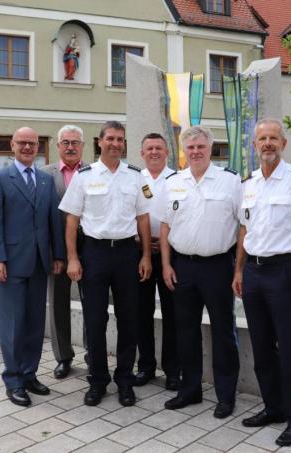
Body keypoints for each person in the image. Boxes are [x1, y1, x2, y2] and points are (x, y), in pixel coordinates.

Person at [232, 118, 291, 446]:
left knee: (288, 348)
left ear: (283, 144)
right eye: (262, 139)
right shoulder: (249, 183)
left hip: (285, 272)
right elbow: (245, 231)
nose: (268, 143)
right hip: (254, 273)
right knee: (260, 347)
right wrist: (239, 271)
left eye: (274, 138)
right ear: (254, 145)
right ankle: (272, 408)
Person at [59, 120, 152, 407]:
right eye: (110, 138)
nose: (115, 143)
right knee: (94, 320)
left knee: (129, 320)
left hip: (126, 254)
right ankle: (97, 380)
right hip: (94, 254)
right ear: (100, 142)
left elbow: (143, 219)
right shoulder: (84, 176)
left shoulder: (136, 176)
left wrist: (147, 255)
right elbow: (72, 220)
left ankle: (125, 380)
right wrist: (73, 258)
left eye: (120, 139)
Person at [158, 125, 241, 419]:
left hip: (218, 266)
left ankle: (225, 395)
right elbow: (165, 227)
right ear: (183, 150)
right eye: (190, 147)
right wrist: (166, 265)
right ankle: (190, 389)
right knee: (186, 331)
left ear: (210, 148)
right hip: (183, 267)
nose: (195, 152)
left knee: (223, 332)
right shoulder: (173, 182)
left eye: (201, 147)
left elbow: (243, 227)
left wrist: (238, 269)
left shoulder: (230, 181)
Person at [0, 126, 66, 407]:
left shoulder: (44, 180)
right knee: (13, 324)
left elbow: (53, 221)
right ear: (12, 145)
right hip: (11, 265)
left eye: (32, 143)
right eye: (23, 143)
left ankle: (30, 374)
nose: (28, 148)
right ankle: (14, 379)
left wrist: (57, 256)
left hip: (40, 264)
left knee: (34, 324)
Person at [134, 133, 180, 390]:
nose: (154, 152)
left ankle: (172, 370)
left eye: (159, 148)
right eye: (149, 148)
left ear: (166, 152)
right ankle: (146, 366)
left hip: (170, 255)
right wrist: (139, 239)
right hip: (139, 254)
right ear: (142, 153)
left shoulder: (177, 179)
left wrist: (165, 241)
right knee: (141, 312)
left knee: (172, 313)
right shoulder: (133, 179)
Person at [41, 125, 87, 379]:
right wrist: (53, 254)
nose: (70, 147)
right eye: (66, 142)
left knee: (93, 303)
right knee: (58, 305)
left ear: (82, 146)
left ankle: (94, 353)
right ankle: (63, 357)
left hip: (91, 251)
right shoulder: (44, 175)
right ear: (58, 146)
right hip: (57, 252)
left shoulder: (93, 172)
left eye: (75, 142)